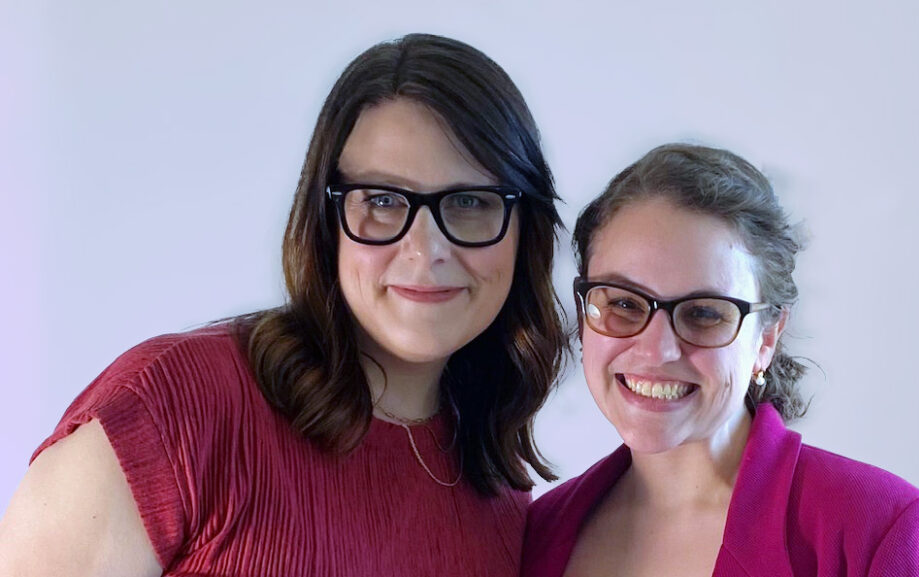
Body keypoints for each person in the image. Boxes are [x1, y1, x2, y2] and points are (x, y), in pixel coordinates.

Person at [0, 33, 568, 576]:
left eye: (470, 201)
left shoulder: (499, 491)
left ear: (526, 231)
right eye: (383, 199)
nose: (426, 249)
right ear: (326, 221)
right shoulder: (171, 408)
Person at [521, 143, 919, 576]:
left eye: (704, 314)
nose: (656, 350)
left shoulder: (884, 531)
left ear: (767, 337)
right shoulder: (535, 536)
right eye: (623, 304)